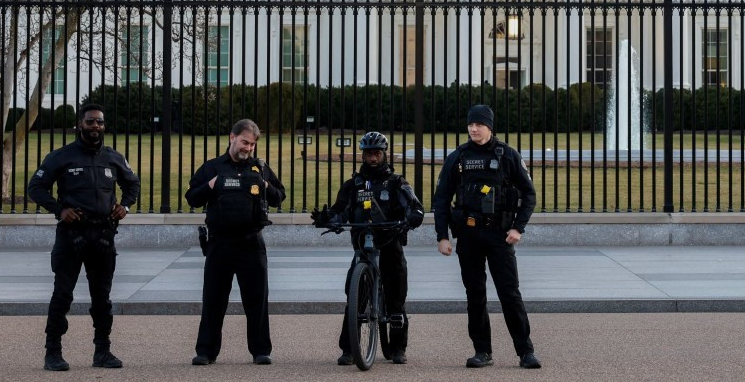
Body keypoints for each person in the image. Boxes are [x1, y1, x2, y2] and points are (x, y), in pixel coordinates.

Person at [27, 102, 140, 372]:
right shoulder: (61, 156)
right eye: (90, 121)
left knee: (102, 298)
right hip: (72, 236)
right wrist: (59, 210)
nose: (95, 126)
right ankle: (53, 352)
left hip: (103, 236)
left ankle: (103, 351)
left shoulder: (113, 157)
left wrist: (125, 206)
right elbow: (36, 187)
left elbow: (132, 183)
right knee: (62, 295)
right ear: (80, 124)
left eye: (99, 121)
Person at [432, 103, 541, 369]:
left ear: (489, 127)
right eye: (471, 124)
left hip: (499, 236)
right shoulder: (458, 157)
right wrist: (442, 236)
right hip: (468, 235)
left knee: (509, 294)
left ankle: (525, 352)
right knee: (475, 294)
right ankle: (482, 351)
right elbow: (442, 198)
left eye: (479, 124)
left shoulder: (508, 155)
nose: (474, 129)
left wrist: (518, 228)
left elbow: (529, 194)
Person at [312, 131, 424, 366]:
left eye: (377, 154)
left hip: (390, 242)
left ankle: (398, 347)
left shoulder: (397, 182)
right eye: (369, 154)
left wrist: (414, 215)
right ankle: (349, 349)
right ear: (362, 156)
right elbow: (340, 210)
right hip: (363, 245)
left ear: (384, 155)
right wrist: (327, 218)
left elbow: (413, 205)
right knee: (354, 295)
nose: (373, 158)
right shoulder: (353, 185)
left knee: (396, 296)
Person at [186, 119, 286, 366]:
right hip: (220, 243)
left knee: (257, 300)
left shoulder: (259, 168)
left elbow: (279, 197)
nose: (248, 148)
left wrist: (265, 185)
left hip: (251, 243)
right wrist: (210, 185)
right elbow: (192, 198)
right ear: (232, 137)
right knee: (213, 300)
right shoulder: (212, 167)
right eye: (244, 142)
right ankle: (206, 351)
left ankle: (260, 350)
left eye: (252, 144)